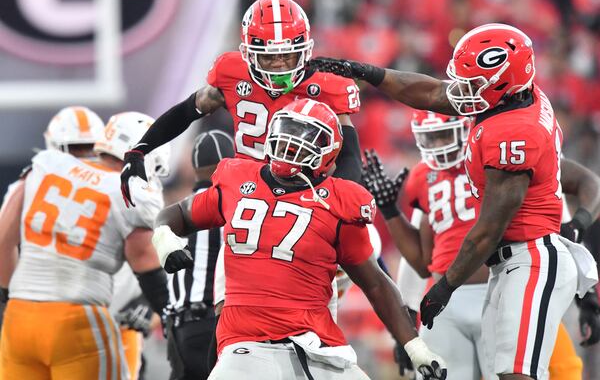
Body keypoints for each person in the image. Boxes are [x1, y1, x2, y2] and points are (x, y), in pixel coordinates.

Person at [308, 23, 600, 380]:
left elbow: (488, 230)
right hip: (511, 263)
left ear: (502, 83)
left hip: (532, 259)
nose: (463, 91)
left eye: (473, 82)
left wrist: (445, 287)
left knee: (518, 375)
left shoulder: (513, 134)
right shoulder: (518, 95)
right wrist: (369, 73)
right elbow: (433, 93)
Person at [152, 99, 448, 380]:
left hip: (317, 342)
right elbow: (176, 215)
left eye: (305, 136)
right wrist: (164, 238)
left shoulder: (340, 201)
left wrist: (415, 346)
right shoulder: (237, 179)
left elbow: (375, 282)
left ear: (329, 151)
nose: (291, 142)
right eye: (288, 132)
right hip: (247, 340)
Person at [363, 110, 600, 379]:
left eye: (443, 136)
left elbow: (559, 206)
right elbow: (422, 261)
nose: (439, 146)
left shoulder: (499, 152)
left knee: (539, 371)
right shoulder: (423, 177)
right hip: (446, 299)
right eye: (431, 138)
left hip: (503, 285)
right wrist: (389, 210)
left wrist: (587, 296)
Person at [120, 0, 364, 208]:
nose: (279, 65)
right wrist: (140, 149)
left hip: (304, 195)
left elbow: (350, 155)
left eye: (288, 55)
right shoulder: (232, 73)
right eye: (269, 58)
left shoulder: (327, 85)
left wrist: (336, 199)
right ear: (248, 54)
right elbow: (187, 111)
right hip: (246, 192)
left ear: (304, 51)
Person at [0, 111, 170, 380]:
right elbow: (145, 262)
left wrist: (6, 300)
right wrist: (171, 314)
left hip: (20, 315)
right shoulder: (129, 192)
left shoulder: (43, 166)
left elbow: (3, 239)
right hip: (78, 317)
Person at [164, 129, 235, 380]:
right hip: (213, 325)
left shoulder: (176, 211)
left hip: (178, 328)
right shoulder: (232, 206)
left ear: (195, 169)